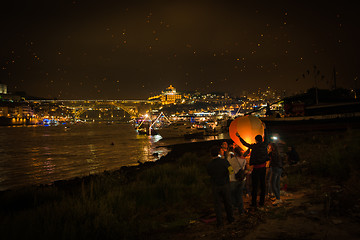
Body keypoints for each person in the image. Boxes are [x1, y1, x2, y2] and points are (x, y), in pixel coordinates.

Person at [236, 132, 268, 208]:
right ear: (262, 139)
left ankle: (254, 202)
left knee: (255, 185)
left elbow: (245, 144)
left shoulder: (254, 146)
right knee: (263, 185)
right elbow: (266, 138)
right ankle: (261, 202)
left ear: (256, 140)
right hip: (263, 167)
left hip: (256, 168)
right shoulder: (264, 145)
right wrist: (265, 129)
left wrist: (239, 136)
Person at [207, 145, 234, 227]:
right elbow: (231, 171)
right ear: (219, 153)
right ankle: (230, 219)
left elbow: (209, 173)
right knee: (228, 202)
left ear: (211, 155)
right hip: (225, 184)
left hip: (215, 185)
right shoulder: (224, 161)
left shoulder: (209, 164)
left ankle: (220, 222)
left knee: (217, 205)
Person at [228, 146, 247, 215]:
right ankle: (241, 210)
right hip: (242, 179)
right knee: (239, 195)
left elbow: (229, 168)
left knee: (232, 194)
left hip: (233, 179)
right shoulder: (244, 160)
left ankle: (234, 207)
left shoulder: (231, 160)